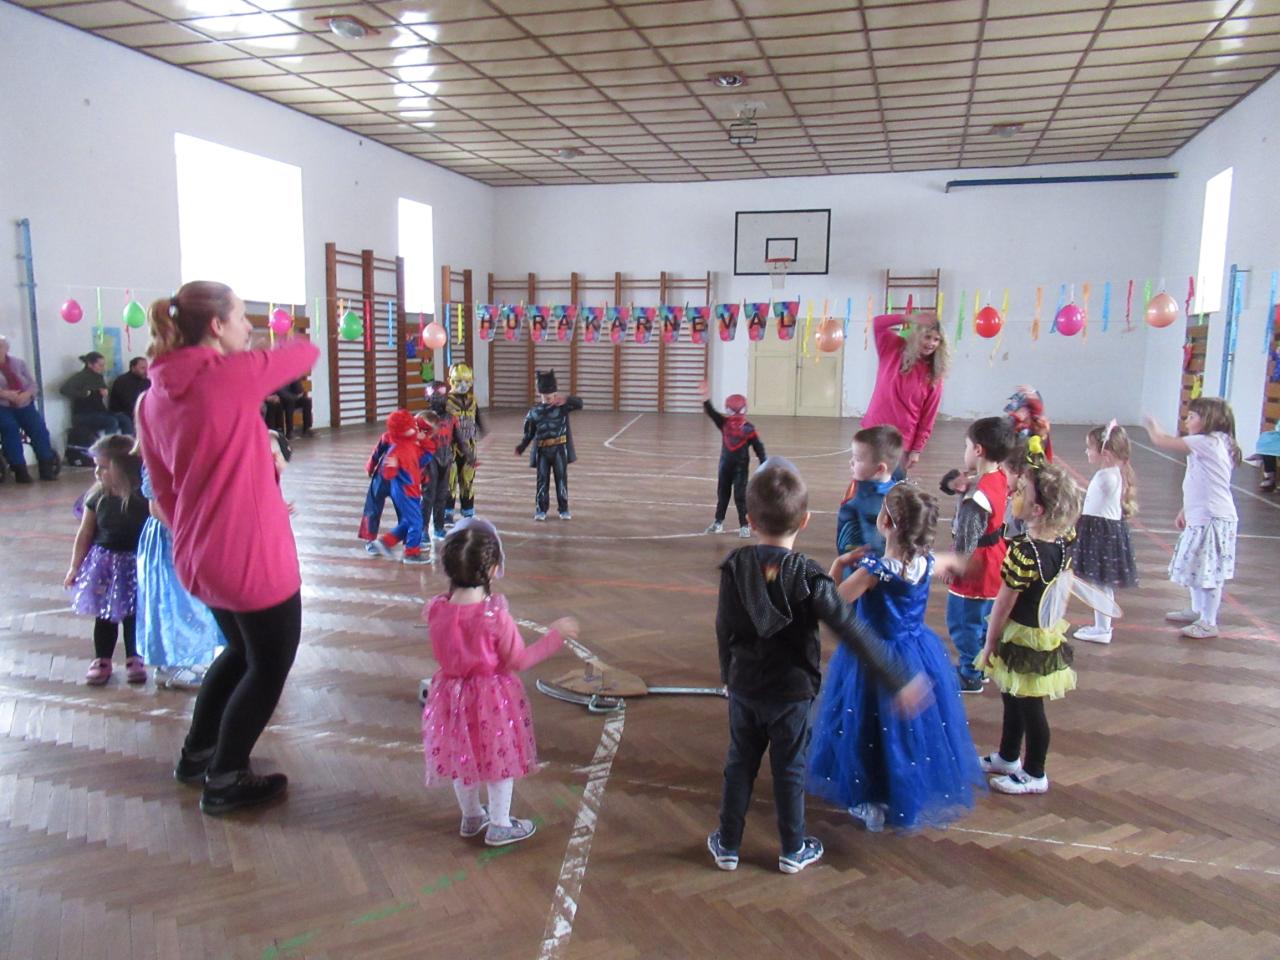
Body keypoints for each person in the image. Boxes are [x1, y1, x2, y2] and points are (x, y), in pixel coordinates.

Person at [136, 280, 319, 816]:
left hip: (199, 555)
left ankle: (197, 755)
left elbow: (166, 492)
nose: (249, 328)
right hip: (250, 560)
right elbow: (303, 354)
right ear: (216, 326)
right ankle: (226, 776)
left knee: (240, 652)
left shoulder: (151, 398)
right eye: (242, 317)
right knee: (269, 665)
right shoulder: (228, 376)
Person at [708, 458, 928, 875]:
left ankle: (728, 844)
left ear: (750, 520)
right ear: (805, 520)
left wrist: (726, 677)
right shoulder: (809, 577)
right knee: (790, 769)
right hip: (792, 694)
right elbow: (852, 629)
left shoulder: (735, 567)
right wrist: (897, 678)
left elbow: (724, 628)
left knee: (739, 764)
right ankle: (793, 849)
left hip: (744, 687)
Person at [809, 484, 984, 832]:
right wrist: (965, 565)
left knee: (865, 724)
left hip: (874, 656)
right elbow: (955, 562)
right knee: (906, 730)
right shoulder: (927, 563)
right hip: (916, 652)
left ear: (886, 522)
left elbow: (832, 603)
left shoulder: (875, 571)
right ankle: (902, 794)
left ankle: (870, 799)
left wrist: (838, 564)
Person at [421, 518, 576, 846]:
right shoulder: (493, 615)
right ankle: (500, 824)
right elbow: (518, 660)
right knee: (498, 758)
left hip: (450, 696)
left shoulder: (436, 610)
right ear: (493, 569)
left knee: (463, 757)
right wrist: (555, 637)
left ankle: (471, 816)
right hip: (491, 699)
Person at [976, 441, 1082, 795]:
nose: (1013, 494)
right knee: (1013, 695)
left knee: (1029, 706)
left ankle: (1035, 772)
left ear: (1037, 509)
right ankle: (1008, 756)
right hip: (1039, 632)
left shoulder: (1024, 551)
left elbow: (1003, 604)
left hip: (1022, 635)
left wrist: (990, 642)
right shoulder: (1063, 541)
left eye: (1020, 492)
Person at [1143, 398, 1240, 640]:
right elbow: (1199, 482)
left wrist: (1151, 424)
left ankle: (1208, 621)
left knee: (1209, 571)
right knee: (1197, 565)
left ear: (1209, 419)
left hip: (1212, 518)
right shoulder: (1211, 442)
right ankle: (1197, 610)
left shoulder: (1208, 441)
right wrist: (1185, 509)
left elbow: (1161, 440)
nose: (1186, 421)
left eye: (1192, 417)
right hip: (1201, 515)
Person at [64, 434, 149, 685]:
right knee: (104, 615)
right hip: (105, 565)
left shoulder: (142, 497)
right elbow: (85, 533)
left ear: (123, 467)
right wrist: (74, 566)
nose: (97, 473)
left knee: (134, 614)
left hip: (135, 564)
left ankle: (135, 657)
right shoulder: (96, 497)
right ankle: (102, 658)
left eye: (103, 467)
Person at [940, 416, 1015, 694]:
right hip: (995, 558)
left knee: (963, 622)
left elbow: (967, 538)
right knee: (983, 619)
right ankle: (981, 666)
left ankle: (970, 674)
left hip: (976, 564)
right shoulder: (998, 475)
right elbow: (961, 485)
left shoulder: (977, 497)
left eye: (967, 446)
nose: (966, 451)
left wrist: (954, 566)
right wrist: (953, 484)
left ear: (979, 450)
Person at [135, 459, 224, 690]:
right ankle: (172, 665)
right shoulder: (159, 457)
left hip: (193, 534)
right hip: (172, 538)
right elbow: (156, 506)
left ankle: (194, 658)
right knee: (173, 603)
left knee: (196, 605)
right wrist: (185, 537)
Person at [1072, 421, 1139, 644]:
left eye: (1089, 448)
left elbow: (1088, 504)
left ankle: (1102, 628)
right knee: (1101, 584)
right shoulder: (1112, 474)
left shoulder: (1105, 477)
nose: (1086, 452)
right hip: (1103, 532)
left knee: (1100, 584)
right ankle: (1101, 626)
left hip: (1100, 534)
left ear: (1106, 454)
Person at [861, 312, 949, 478]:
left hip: (901, 440)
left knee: (894, 487)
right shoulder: (893, 347)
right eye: (927, 337)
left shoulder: (934, 376)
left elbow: (928, 417)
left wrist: (916, 450)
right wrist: (909, 318)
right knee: (866, 483)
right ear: (916, 335)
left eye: (936, 340)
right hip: (874, 430)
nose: (931, 343)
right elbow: (878, 323)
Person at [516, 369, 583, 521]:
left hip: (560, 449)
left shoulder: (563, 407)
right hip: (542, 451)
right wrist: (522, 447)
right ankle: (541, 510)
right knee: (542, 481)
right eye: (544, 394)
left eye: (550, 394)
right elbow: (529, 433)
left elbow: (580, 403)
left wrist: (567, 399)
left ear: (555, 392)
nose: (547, 397)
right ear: (540, 394)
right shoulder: (534, 412)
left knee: (561, 480)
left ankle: (563, 509)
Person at [700, 388, 766, 538]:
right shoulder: (724, 423)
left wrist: (764, 463)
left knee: (740, 496)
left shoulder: (749, 429)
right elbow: (712, 413)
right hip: (725, 467)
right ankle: (718, 522)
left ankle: (744, 525)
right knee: (722, 495)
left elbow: (758, 447)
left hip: (740, 469)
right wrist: (706, 399)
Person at [367, 409, 429, 564]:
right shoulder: (395, 449)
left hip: (413, 490)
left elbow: (424, 458)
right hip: (404, 492)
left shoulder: (412, 444)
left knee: (409, 521)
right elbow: (387, 474)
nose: (414, 429)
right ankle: (411, 553)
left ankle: (385, 542)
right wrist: (391, 466)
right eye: (411, 427)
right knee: (416, 522)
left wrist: (424, 441)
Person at [0, 332, 59, 482]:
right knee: (10, 429)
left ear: (6, 348)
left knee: (39, 429)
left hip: (24, 403)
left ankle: (46, 467)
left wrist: (26, 395)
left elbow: (33, 384)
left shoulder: (18, 363)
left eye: (1, 346)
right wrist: (5, 394)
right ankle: (19, 469)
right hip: (3, 406)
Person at [836, 424, 902, 559]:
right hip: (856, 562)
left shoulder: (895, 500)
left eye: (858, 459)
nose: (851, 462)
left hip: (872, 565)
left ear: (879, 469)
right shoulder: (855, 489)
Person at [444, 363, 485, 523]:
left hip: (469, 446)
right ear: (451, 381)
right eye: (459, 381)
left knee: (467, 480)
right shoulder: (445, 401)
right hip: (451, 447)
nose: (463, 385)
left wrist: (483, 432)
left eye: (467, 382)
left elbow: (478, 418)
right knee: (450, 480)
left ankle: (468, 510)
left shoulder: (472, 400)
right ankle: (447, 513)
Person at [61, 351, 133, 437]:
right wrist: (84, 393)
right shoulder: (80, 376)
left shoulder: (99, 377)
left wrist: (104, 391)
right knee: (111, 422)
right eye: (100, 365)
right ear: (90, 365)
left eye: (103, 365)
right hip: (83, 414)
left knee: (125, 419)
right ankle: (108, 444)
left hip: (100, 411)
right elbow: (64, 390)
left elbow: (102, 389)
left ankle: (128, 442)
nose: (103, 368)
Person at [1004, 385, 1052, 461]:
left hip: (1035, 438)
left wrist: (1030, 393)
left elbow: (1035, 403)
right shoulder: (1015, 418)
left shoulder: (1037, 416)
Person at [109, 357, 150, 421]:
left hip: (139, 411)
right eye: (143, 368)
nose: (146, 371)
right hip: (122, 413)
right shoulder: (122, 381)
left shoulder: (146, 381)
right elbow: (128, 403)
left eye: (147, 368)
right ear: (133, 368)